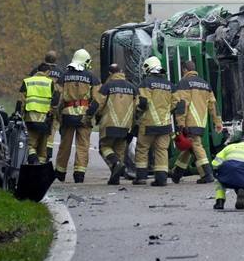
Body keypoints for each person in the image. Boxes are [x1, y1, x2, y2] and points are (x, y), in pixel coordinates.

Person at [170, 60, 223, 184]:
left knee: (196, 146)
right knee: (189, 147)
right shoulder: (205, 84)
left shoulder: (184, 83)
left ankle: (207, 174)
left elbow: (181, 104)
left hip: (189, 121)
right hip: (200, 122)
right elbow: (213, 105)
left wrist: (181, 123)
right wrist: (218, 122)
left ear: (184, 70)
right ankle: (176, 173)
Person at [86, 64, 137, 185]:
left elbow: (97, 104)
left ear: (110, 74)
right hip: (126, 126)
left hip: (110, 124)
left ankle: (116, 164)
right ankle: (115, 178)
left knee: (104, 147)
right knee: (119, 151)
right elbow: (138, 107)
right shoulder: (133, 88)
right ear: (121, 72)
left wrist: (88, 116)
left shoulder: (107, 86)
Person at [55, 49, 100, 183]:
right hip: (84, 116)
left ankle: (60, 172)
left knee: (65, 145)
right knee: (82, 145)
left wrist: (58, 117)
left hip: (67, 115)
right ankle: (79, 174)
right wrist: (91, 115)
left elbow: (57, 99)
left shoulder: (64, 76)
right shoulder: (92, 78)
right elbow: (97, 100)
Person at [133, 56, 179, 187]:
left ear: (148, 68)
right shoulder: (170, 85)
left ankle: (141, 177)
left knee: (142, 149)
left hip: (148, 123)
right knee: (162, 150)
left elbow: (142, 103)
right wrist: (166, 112)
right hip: (165, 124)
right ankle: (161, 178)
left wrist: (137, 113)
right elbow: (176, 104)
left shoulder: (145, 83)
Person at [16, 62, 58, 164]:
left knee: (30, 144)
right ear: (47, 72)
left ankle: (33, 160)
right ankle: (41, 168)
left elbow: (21, 101)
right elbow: (55, 102)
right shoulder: (50, 83)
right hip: (45, 120)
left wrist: (18, 115)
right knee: (43, 148)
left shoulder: (27, 82)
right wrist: (54, 117)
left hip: (30, 118)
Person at [29, 50, 64, 163]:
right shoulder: (60, 72)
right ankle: (47, 154)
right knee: (51, 131)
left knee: (35, 133)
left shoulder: (36, 70)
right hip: (53, 106)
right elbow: (60, 92)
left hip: (36, 106)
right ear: (55, 59)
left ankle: (34, 154)